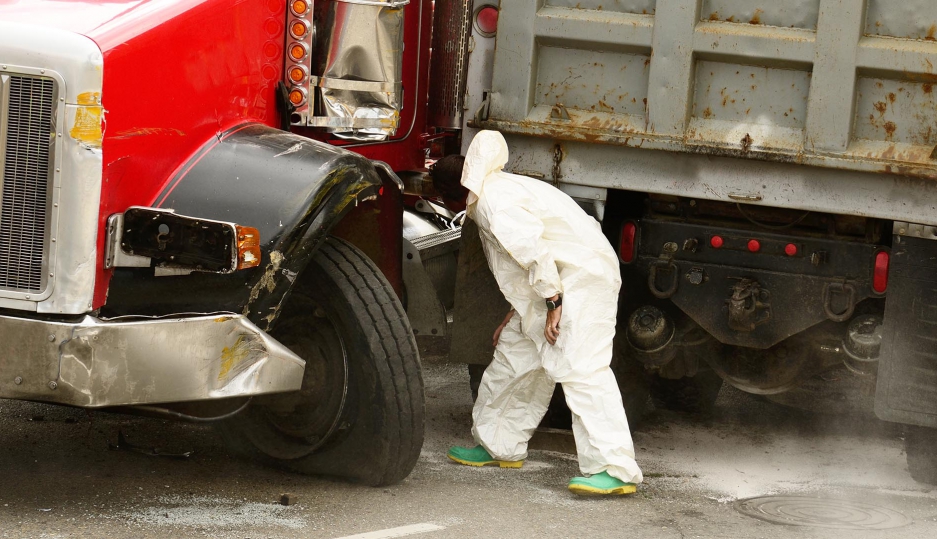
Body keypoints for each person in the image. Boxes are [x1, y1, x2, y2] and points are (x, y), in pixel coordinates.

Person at [444, 130, 642, 496]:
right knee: (515, 354)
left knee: (582, 367)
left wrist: (552, 302)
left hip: (580, 279)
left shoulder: (493, 203)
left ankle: (615, 469)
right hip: (556, 280)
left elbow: (532, 249)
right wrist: (518, 307)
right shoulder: (493, 191)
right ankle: (498, 444)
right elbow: (521, 261)